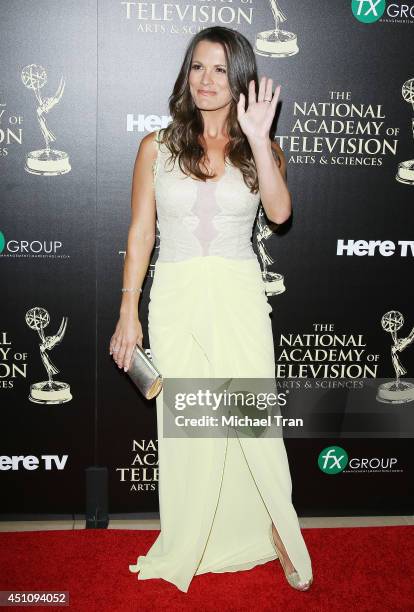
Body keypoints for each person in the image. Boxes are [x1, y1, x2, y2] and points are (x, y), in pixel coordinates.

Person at [110, 25, 313, 594]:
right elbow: (141, 231)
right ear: (186, 74)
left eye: (221, 69)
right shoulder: (156, 145)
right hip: (174, 294)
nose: (206, 79)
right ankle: (193, 539)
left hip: (238, 295)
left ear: (240, 78)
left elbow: (278, 214)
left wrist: (258, 136)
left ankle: (280, 531)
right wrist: (130, 311)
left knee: (253, 422)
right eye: (198, 67)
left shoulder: (261, 148)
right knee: (190, 430)